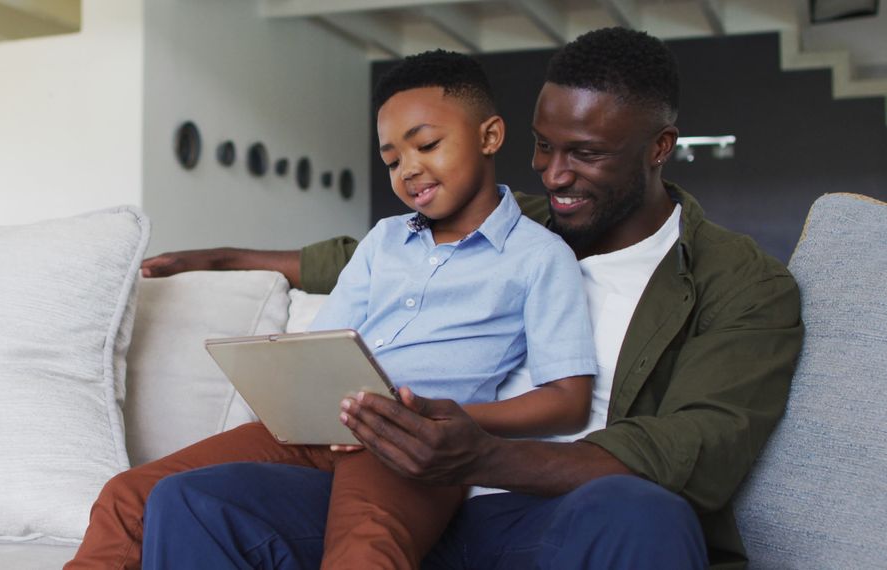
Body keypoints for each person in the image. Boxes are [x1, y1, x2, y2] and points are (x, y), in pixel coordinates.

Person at [135, 27, 804, 569]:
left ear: (661, 148)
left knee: (642, 511)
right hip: (420, 492)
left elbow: (699, 448)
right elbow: (364, 258)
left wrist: (480, 453)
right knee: (192, 501)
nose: (554, 172)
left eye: (586, 153)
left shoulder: (742, 283)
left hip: (555, 514)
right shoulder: (528, 221)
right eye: (544, 147)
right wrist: (223, 258)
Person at [66, 51, 599, 570]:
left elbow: (568, 401)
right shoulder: (384, 241)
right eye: (392, 159)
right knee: (129, 495)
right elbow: (322, 344)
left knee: (364, 547)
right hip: (316, 429)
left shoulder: (539, 255)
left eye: (428, 145)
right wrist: (285, 387)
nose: (409, 169)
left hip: (410, 444)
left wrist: (449, 419)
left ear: (489, 136)